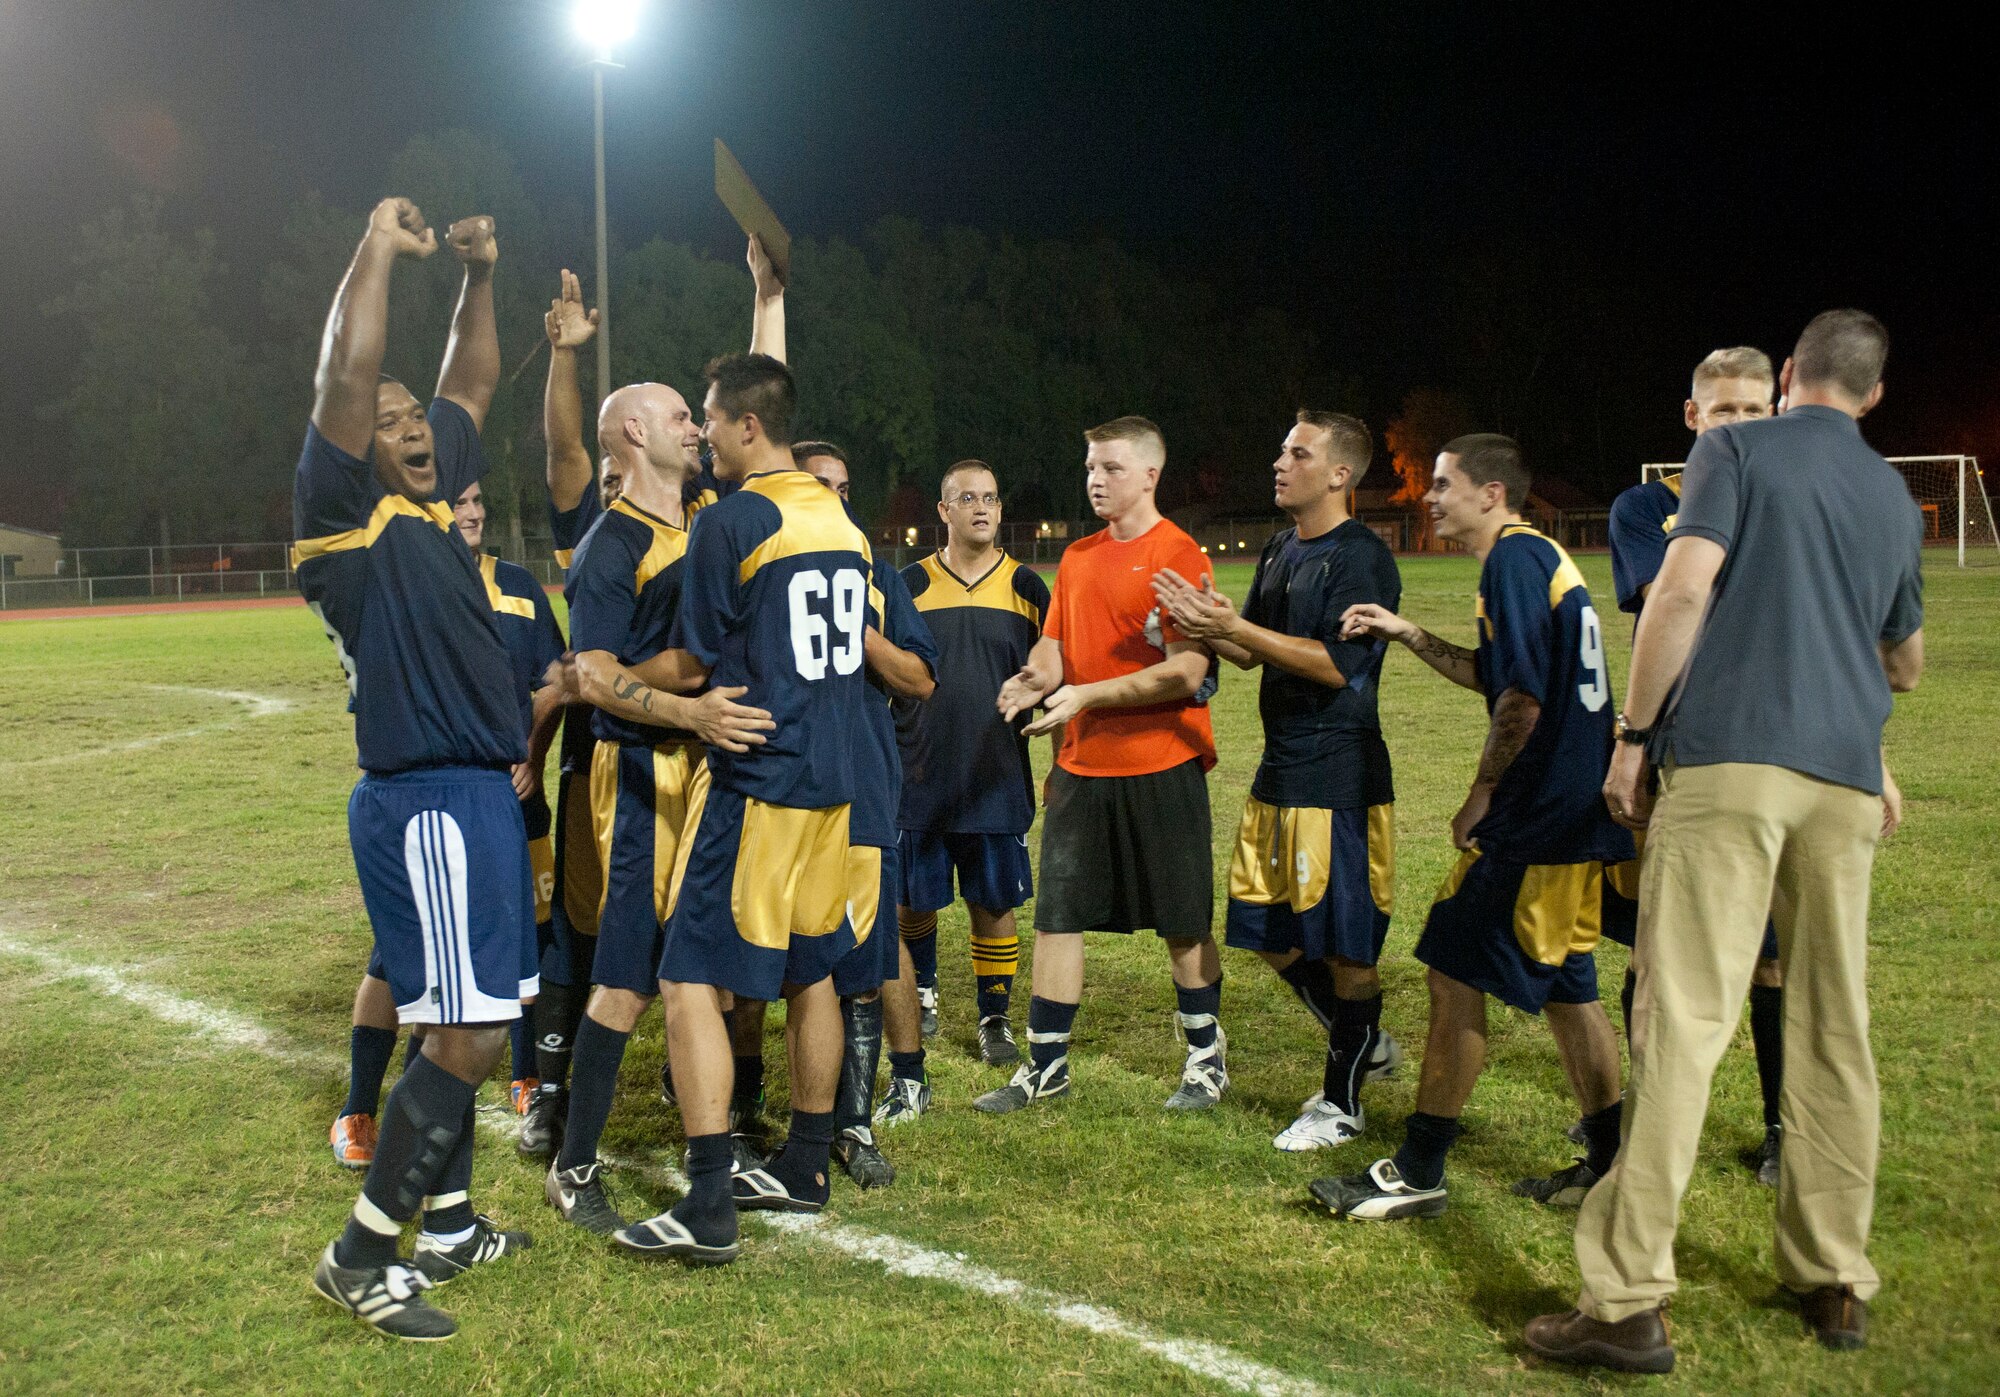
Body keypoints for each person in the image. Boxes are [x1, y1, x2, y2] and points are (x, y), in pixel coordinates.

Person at [1527, 310, 1922, 1372]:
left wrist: (1633, 735)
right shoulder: (1890, 491)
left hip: (1730, 761)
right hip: (1842, 780)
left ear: (1788, 374)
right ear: (1873, 396)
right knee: (1833, 1024)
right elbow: (1905, 659)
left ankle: (1623, 1297)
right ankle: (1833, 1272)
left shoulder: (1729, 446)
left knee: (1684, 1018)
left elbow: (1681, 586)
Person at [295, 199, 534, 1340]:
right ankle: (362, 1252)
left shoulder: (434, 505)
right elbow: (350, 365)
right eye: (387, 420)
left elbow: (473, 382)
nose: (412, 424)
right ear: (355, 445)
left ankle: (444, 1225)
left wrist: (479, 278)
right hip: (428, 795)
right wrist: (375, 246)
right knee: (468, 1032)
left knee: (465, 1008)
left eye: (414, 419)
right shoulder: (344, 513)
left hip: (470, 791)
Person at [1319, 434, 1632, 1221]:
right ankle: (1614, 1162)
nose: (1429, 497)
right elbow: (1491, 676)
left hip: (1538, 821)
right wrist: (1408, 631)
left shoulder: (1514, 562)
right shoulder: (1535, 559)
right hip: (1567, 817)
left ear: (1491, 493)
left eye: (1443, 484)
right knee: (1568, 988)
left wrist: (1481, 792)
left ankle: (1420, 1167)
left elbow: (1520, 702)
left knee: (1454, 973)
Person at [609, 353, 874, 1265]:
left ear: (747, 427)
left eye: (712, 421)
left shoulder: (730, 520)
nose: (705, 436)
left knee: (687, 977)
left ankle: (709, 1200)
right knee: (813, 970)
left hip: (761, 775)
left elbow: (691, 662)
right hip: (833, 781)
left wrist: (601, 676)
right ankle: (805, 1163)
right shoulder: (838, 515)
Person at [1152, 412, 1404, 1152]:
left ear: (1339, 474)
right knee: (1264, 927)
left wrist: (1235, 625)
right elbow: (1249, 652)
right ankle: (1363, 1042)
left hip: (1339, 777)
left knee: (1346, 947)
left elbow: (1336, 663)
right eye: (1281, 447)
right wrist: (1194, 622)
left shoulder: (1360, 557)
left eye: (1299, 451)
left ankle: (1343, 1100)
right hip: (1280, 769)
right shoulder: (1281, 545)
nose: (1279, 461)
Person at [979, 416, 1224, 1115]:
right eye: (1090, 466)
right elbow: (1055, 645)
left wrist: (1084, 693)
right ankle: (1046, 1064)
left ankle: (1205, 1056)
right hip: (1083, 768)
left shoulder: (1179, 553)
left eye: (1112, 467)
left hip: (1162, 761)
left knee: (1183, 917)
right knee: (1058, 916)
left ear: (1150, 474)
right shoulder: (1079, 556)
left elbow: (1186, 671)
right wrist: (1034, 677)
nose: (1095, 478)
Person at [327, 478, 568, 1171]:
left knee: (527, 932)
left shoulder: (518, 587)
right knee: (394, 956)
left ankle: (527, 1077)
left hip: (504, 796)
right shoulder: (400, 577)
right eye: (455, 501)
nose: (471, 510)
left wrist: (532, 752)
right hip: (431, 800)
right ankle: (359, 1106)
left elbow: (555, 678)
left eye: (477, 499)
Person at [1606, 346, 1787, 1186]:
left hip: (1783, 747)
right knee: (1656, 947)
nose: (1740, 426)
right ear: (1693, 418)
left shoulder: (1795, 496)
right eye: (1724, 412)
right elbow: (1671, 604)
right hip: (1683, 748)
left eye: (1755, 411)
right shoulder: (1646, 507)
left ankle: (1782, 1128)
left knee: (1776, 955)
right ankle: (1644, 1120)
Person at [878, 459, 1051, 1128]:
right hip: (916, 770)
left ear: (1000, 511)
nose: (980, 506)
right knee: (910, 899)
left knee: (993, 898)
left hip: (995, 772)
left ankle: (994, 1014)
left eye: (989, 496)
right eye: (965, 498)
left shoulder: (1030, 587)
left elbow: (1053, 675)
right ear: (943, 512)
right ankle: (919, 994)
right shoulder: (910, 582)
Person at [793, 442, 938, 1187]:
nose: (836, 499)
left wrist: (856, 625)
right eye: (821, 485)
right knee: (763, 954)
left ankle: (852, 1122)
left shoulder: (876, 575)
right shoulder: (760, 557)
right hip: (776, 782)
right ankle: (757, 1105)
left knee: (856, 959)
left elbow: (918, 677)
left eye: (845, 488)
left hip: (860, 782)